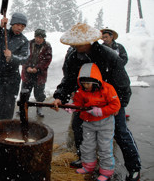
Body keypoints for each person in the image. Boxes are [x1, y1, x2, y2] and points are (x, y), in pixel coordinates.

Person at [51, 23, 141, 181]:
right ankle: (85, 160)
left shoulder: (107, 55)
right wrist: (60, 96)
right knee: (79, 129)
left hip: (110, 100)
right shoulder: (73, 55)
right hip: (86, 101)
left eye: (79, 43)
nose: (75, 45)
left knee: (120, 132)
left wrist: (118, 106)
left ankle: (134, 168)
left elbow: (123, 83)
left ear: (89, 41)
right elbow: (69, 80)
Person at [65, 63, 121, 181]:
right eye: (83, 83)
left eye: (88, 83)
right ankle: (88, 166)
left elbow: (116, 106)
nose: (86, 86)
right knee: (87, 146)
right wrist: (73, 106)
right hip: (88, 123)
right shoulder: (81, 91)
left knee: (104, 147)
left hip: (105, 123)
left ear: (96, 81)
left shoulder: (107, 89)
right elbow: (79, 104)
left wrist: (101, 111)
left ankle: (106, 171)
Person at [0, 12, 29, 124]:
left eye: (23, 26)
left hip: (12, 79)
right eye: (18, 24)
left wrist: (12, 57)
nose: (20, 28)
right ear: (12, 23)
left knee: (7, 107)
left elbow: (24, 58)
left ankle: (4, 131)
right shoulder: (2, 32)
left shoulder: (24, 41)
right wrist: (0, 26)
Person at [20, 29, 52, 117]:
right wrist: (27, 67)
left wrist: (37, 68)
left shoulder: (47, 46)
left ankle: (39, 107)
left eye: (40, 37)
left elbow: (47, 60)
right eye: (37, 37)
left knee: (39, 94)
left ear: (44, 38)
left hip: (40, 75)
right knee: (25, 92)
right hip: (27, 74)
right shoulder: (29, 44)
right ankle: (23, 108)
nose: (38, 39)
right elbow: (24, 56)